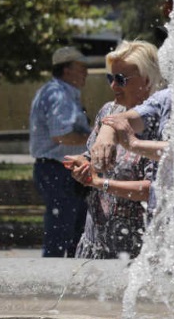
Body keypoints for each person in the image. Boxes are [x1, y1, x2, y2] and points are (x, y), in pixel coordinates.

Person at [63, 40, 163, 259]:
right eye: (111, 78)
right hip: (95, 245)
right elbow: (92, 157)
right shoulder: (109, 112)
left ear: (147, 80)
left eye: (121, 79)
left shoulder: (160, 123)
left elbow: (154, 189)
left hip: (137, 253)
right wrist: (82, 164)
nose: (113, 86)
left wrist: (101, 183)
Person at [29, 46, 93, 257]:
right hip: (58, 171)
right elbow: (61, 135)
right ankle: (53, 283)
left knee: (74, 234)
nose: (86, 72)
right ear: (67, 70)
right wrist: (96, 139)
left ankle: (68, 281)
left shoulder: (59, 92)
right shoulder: (58, 95)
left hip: (59, 170)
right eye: (81, 67)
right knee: (61, 235)